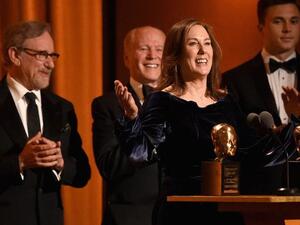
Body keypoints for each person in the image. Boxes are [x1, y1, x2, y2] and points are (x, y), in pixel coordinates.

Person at [114, 18, 258, 225]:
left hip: (226, 212)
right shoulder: (163, 100)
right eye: (193, 43)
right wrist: (131, 117)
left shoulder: (226, 101)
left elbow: (253, 151)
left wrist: (291, 129)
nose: (202, 50)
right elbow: (141, 154)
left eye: (207, 43)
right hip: (182, 213)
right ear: (177, 55)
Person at [0, 20, 91, 225]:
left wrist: (60, 163)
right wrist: (20, 162)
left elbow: (82, 174)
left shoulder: (62, 108)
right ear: (15, 55)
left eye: (53, 56)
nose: (50, 64)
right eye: (42, 55)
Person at [92, 26, 165, 225]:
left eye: (159, 49)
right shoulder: (108, 105)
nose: (153, 56)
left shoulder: (181, 101)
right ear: (126, 58)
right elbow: (109, 166)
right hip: (129, 218)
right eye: (144, 49)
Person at [221, 0, 300, 126]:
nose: (287, 29)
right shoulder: (233, 80)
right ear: (261, 27)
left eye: (294, 21)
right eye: (278, 21)